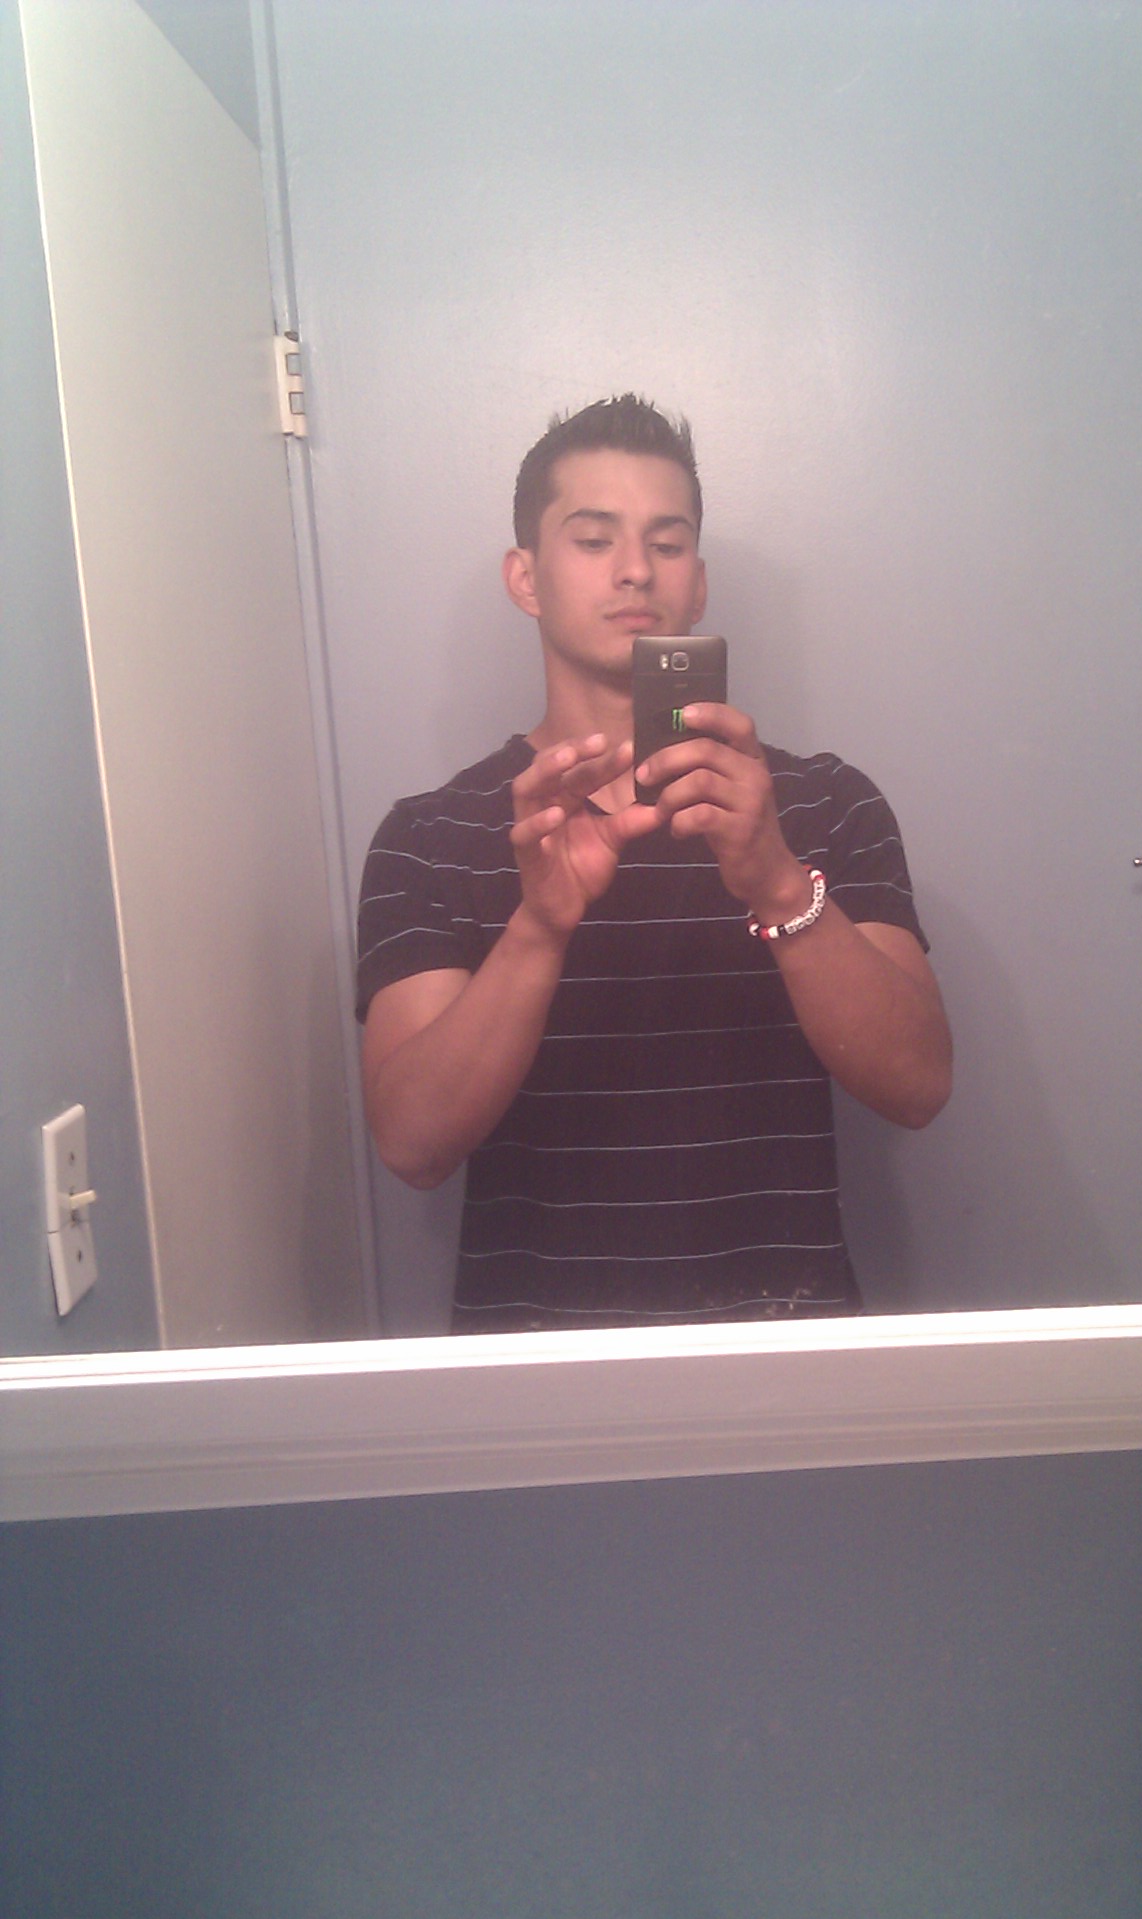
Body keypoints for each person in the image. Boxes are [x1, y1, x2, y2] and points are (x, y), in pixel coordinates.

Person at [356, 395, 951, 1333]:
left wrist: (777, 883)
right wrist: (539, 927)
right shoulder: (431, 835)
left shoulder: (824, 805)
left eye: (667, 544)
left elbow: (917, 1088)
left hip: (786, 1346)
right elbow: (412, 1145)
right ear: (526, 577)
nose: (636, 568)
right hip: (535, 1358)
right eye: (594, 539)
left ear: (698, 585)